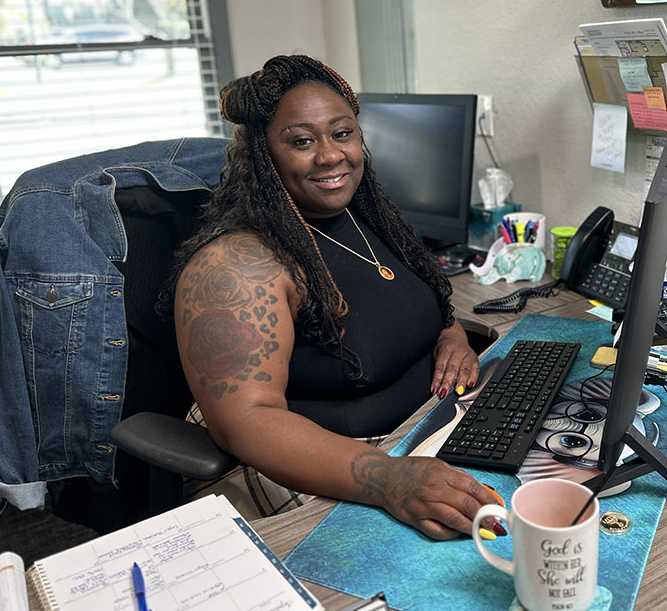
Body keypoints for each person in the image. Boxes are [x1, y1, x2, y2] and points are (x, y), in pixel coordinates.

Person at [169, 54, 499, 540]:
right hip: (314, 466)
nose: (329, 156)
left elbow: (419, 303)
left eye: (341, 133)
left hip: (417, 439)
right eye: (302, 141)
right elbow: (247, 422)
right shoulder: (237, 268)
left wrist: (451, 337)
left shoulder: (368, 218)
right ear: (263, 154)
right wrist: (390, 478)